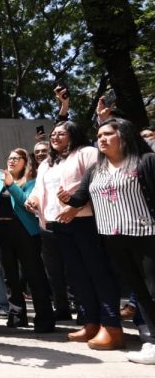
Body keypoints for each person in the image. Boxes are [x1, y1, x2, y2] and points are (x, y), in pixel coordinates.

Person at [57, 118, 155, 363]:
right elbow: (80, 199)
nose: (102, 138)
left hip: (146, 235)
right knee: (140, 292)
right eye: (99, 134)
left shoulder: (145, 161)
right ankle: (153, 342)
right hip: (112, 238)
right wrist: (66, 200)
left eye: (108, 133)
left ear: (124, 135)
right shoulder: (96, 170)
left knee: (153, 290)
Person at [25, 121, 122, 349]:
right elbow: (40, 190)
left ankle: (111, 326)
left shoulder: (87, 153)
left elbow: (98, 182)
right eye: (54, 134)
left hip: (85, 221)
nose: (55, 137)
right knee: (77, 276)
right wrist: (34, 201)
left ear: (74, 134)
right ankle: (90, 322)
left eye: (61, 133)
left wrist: (76, 207)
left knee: (98, 272)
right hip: (57, 225)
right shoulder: (46, 164)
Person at [0, 148, 55, 333]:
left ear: (25, 161)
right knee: (9, 276)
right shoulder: (0, 176)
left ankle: (44, 317)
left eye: (16, 158)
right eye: (9, 158)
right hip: (0, 231)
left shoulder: (32, 181)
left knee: (33, 274)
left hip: (24, 231)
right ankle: (16, 315)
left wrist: (12, 185)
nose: (11, 161)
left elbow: (26, 202)